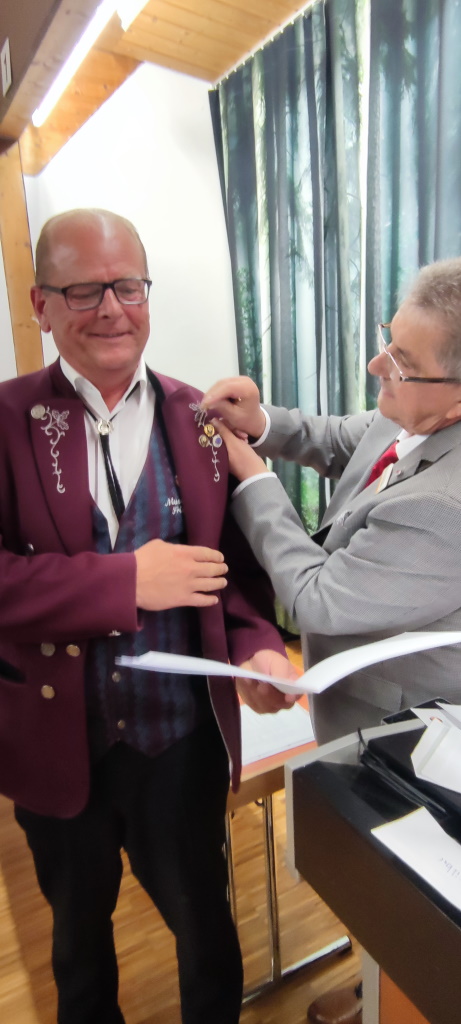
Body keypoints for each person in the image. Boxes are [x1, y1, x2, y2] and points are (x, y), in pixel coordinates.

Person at [0, 208, 299, 1024]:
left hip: (181, 745)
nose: (111, 309)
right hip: (57, 744)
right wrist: (126, 580)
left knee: (208, 936)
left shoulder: (200, 420)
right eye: (84, 291)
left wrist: (259, 649)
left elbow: (234, 577)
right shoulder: (7, 418)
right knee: (78, 950)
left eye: (127, 286)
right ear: (41, 304)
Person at [202, 257, 461, 1024]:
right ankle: (371, 973)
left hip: (403, 734)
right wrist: (264, 423)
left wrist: (252, 477)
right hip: (357, 705)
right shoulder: (411, 406)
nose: (377, 367)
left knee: (399, 884)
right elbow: (341, 438)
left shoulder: (446, 508)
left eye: (400, 362)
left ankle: (385, 988)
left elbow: (314, 594)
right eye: (387, 341)